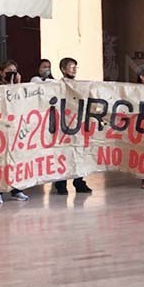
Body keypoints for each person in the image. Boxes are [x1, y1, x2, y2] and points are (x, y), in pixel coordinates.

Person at [0, 60, 31, 204]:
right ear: (1, 73)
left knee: (16, 160)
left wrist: (16, 86)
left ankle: (17, 189)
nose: (12, 74)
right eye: (8, 71)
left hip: (15, 129)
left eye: (14, 71)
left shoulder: (19, 89)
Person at [53, 57, 93, 195]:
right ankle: (61, 183)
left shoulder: (79, 86)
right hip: (63, 125)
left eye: (76, 67)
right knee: (63, 154)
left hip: (77, 124)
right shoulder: (57, 86)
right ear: (63, 69)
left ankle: (78, 181)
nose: (74, 69)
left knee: (78, 153)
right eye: (71, 67)